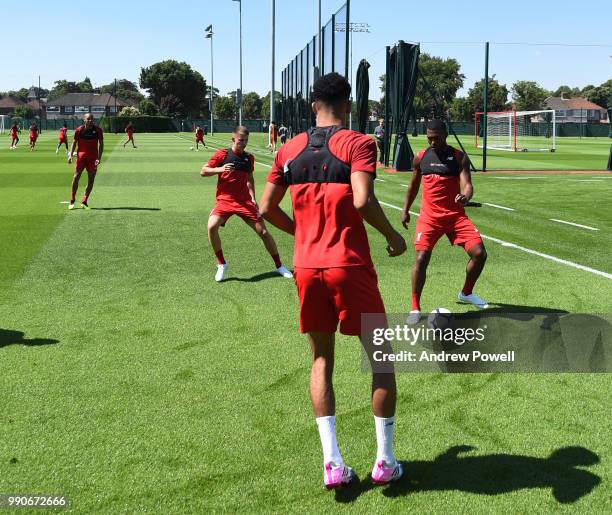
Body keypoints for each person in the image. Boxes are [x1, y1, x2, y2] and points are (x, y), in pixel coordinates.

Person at [260, 72, 407, 488]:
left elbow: (265, 208)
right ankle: (384, 461)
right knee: (381, 359)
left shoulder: (289, 149)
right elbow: (362, 199)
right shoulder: (359, 142)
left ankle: (333, 464)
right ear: (348, 104)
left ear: (312, 106)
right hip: (350, 265)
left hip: (307, 268)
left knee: (321, 360)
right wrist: (392, 235)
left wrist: (303, 235)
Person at [401, 119, 488, 320]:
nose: (433, 142)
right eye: (429, 138)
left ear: (445, 135)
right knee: (421, 259)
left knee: (480, 253)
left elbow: (467, 185)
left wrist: (465, 197)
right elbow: (413, 186)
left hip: (455, 217)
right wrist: (405, 210)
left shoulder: (459, 157)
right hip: (429, 218)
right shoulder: (421, 157)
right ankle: (415, 308)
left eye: (436, 138)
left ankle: (466, 293)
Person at [200, 125, 293, 282]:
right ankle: (221, 263)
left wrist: (253, 197)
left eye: (246, 141)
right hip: (225, 200)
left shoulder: (249, 158)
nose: (243, 144)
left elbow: (250, 179)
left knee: (263, 232)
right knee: (211, 226)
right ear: (233, 139)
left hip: (244, 202)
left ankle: (279, 266)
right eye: (241, 140)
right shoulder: (222, 154)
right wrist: (220, 169)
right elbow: (203, 171)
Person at [67, 113, 104, 210]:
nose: (90, 120)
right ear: (84, 119)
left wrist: (99, 158)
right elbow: (74, 142)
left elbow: (101, 144)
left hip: (93, 159)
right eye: (88, 119)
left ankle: (84, 201)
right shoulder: (79, 130)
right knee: (76, 177)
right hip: (81, 158)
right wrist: (70, 155)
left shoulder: (98, 130)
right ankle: (72, 199)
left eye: (92, 119)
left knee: (91, 179)